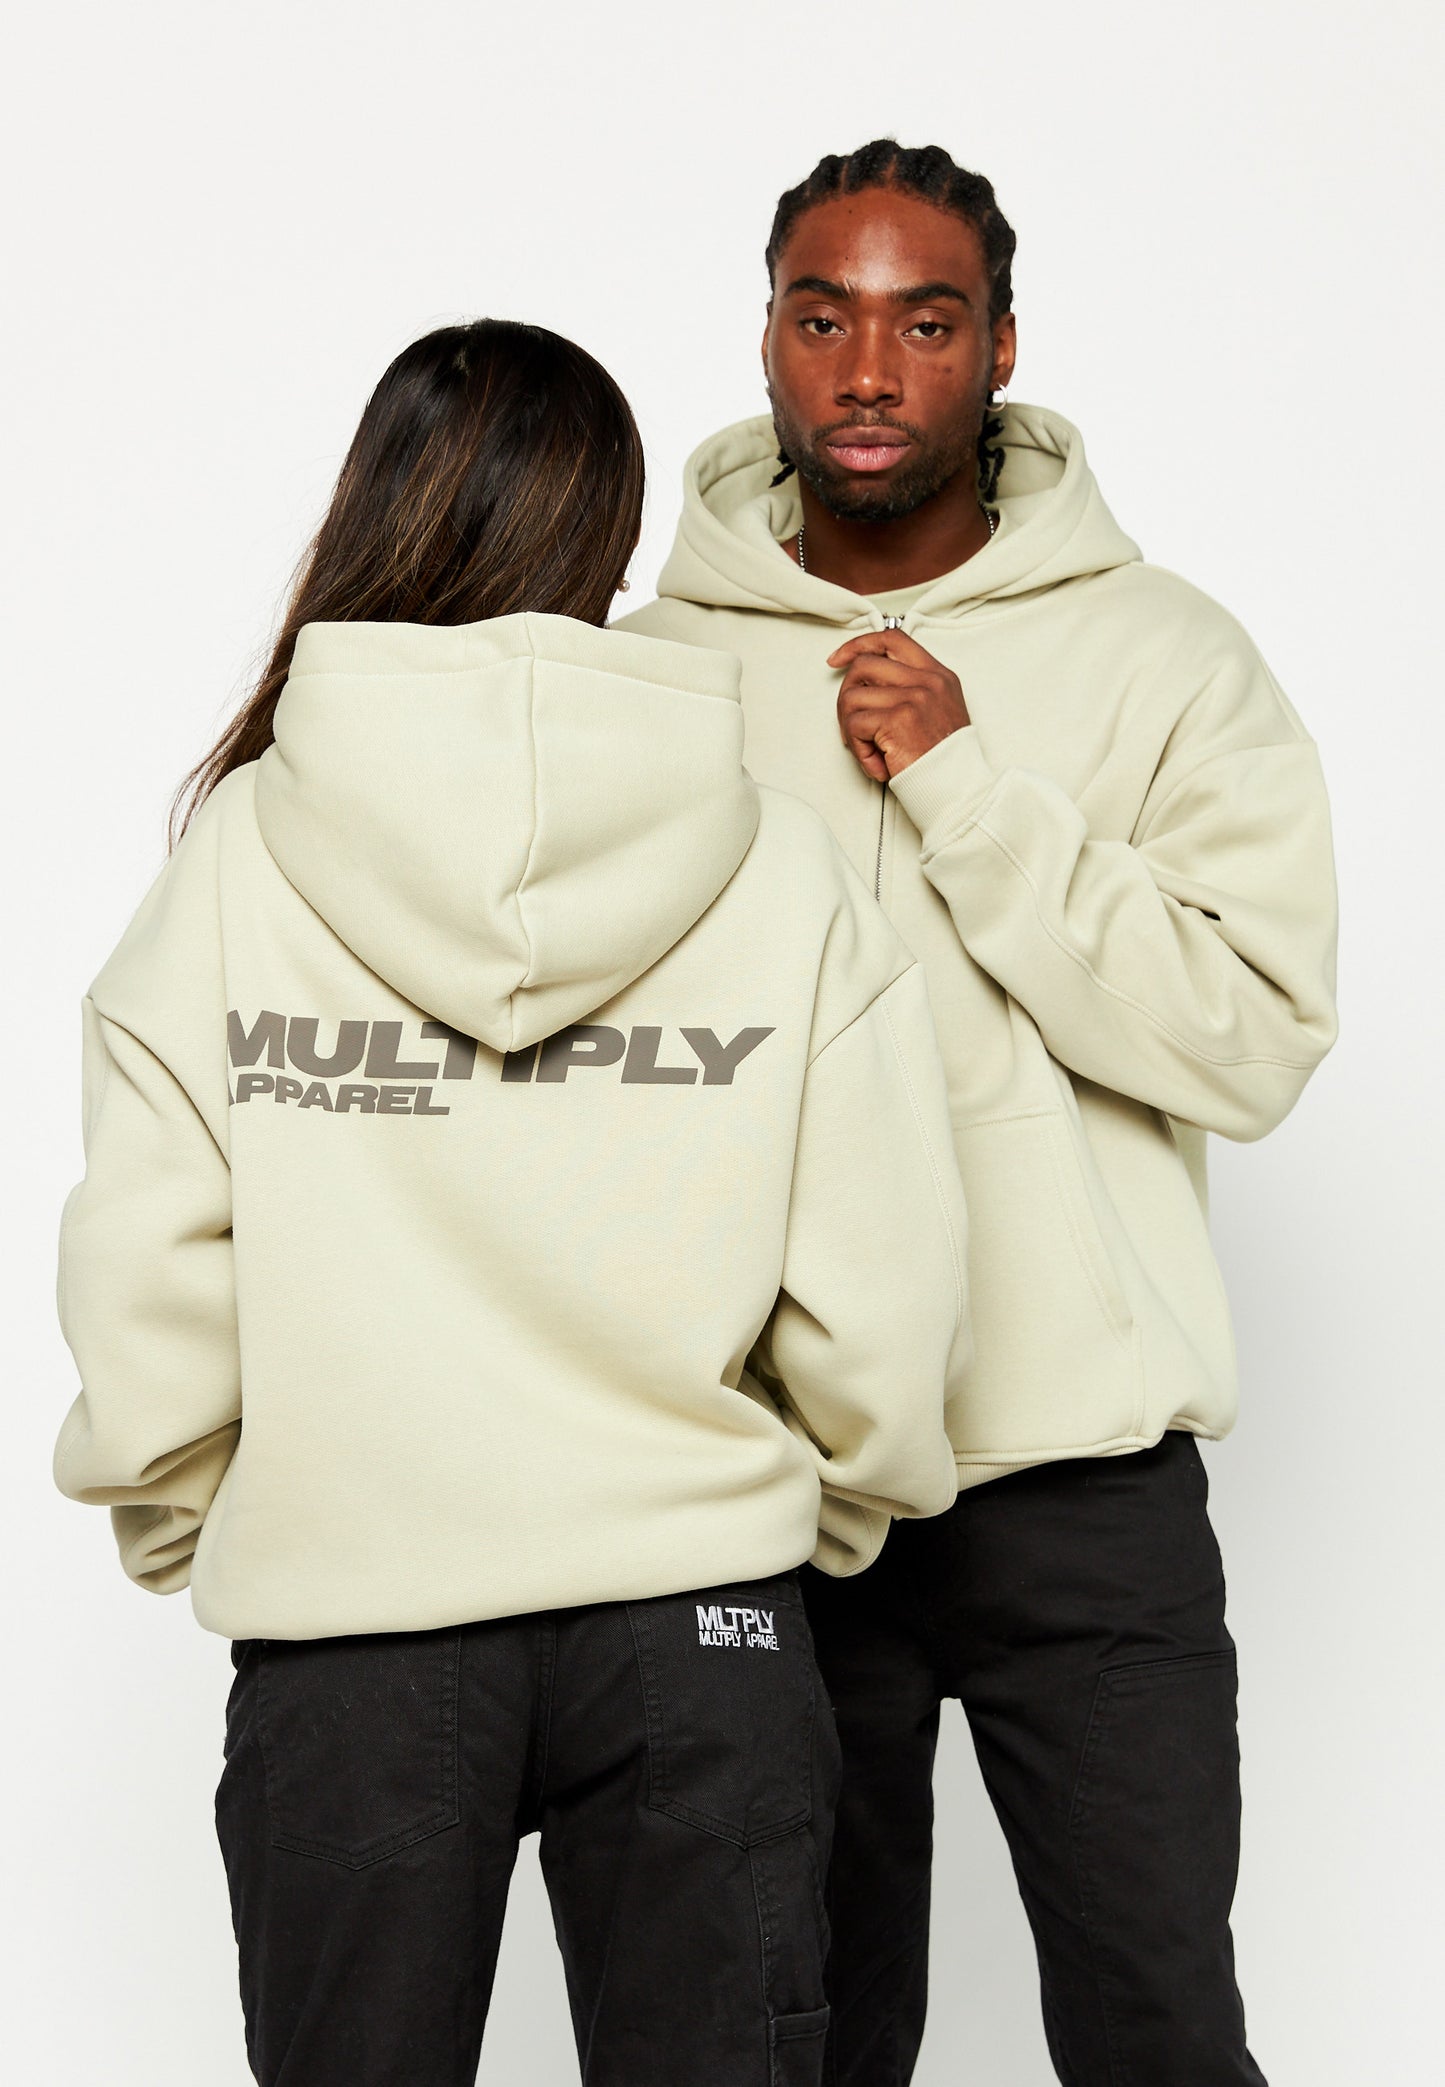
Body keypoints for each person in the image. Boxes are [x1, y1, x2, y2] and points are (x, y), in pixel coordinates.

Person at [52, 317, 971, 2087]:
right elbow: (885, 1277)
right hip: (696, 1617)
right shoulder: (774, 860)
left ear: (377, 507)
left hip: (354, 1634)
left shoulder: (241, 856)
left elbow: (147, 1250)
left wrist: (219, 1514)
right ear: (607, 532)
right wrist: (823, 1511)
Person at [620, 141, 1339, 2086]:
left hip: (1083, 1490)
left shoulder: (1165, 654)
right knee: (797, 2042)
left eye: (925, 323)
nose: (868, 370)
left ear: (1002, 348)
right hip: (767, 1492)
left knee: (1157, 2030)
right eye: (823, 316)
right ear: (766, 338)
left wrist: (966, 790)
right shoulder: (644, 676)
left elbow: (1252, 1038)